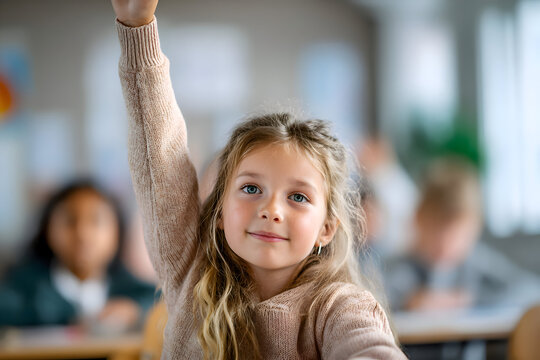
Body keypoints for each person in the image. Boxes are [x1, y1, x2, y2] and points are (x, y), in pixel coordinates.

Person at [111, 0, 407, 358]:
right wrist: (138, 25)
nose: (271, 209)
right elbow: (160, 157)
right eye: (251, 188)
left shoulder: (339, 307)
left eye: (298, 197)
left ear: (327, 228)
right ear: (219, 212)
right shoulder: (191, 276)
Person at [384, 157, 540, 312]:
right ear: (417, 218)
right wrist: (407, 303)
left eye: (457, 236)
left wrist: (472, 300)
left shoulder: (477, 266)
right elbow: (375, 299)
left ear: (475, 229)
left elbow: (528, 290)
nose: (445, 244)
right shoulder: (397, 269)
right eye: (437, 230)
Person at [0, 180, 158, 330]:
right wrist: (72, 316)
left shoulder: (129, 288)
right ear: (48, 231)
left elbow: (162, 301)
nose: (83, 234)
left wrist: (134, 310)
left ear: (117, 233)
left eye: (96, 221)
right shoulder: (22, 286)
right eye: (70, 221)